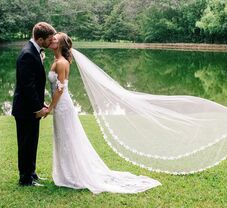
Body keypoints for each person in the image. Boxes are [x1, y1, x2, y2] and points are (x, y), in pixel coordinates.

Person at [46, 32, 161, 194]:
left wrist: (50, 107)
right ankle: (67, 172)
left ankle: (71, 175)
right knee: (63, 137)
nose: (52, 40)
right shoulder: (56, 60)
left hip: (63, 106)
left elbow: (60, 89)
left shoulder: (62, 63)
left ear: (61, 45)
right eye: (52, 38)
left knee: (67, 138)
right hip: (60, 105)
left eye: (55, 39)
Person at [12, 22, 56, 186]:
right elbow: (27, 86)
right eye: (49, 39)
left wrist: (41, 103)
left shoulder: (35, 52)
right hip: (25, 110)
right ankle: (25, 179)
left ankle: (31, 173)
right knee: (25, 144)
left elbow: (34, 85)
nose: (51, 42)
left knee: (32, 142)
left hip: (31, 107)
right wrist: (38, 108)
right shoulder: (27, 54)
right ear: (40, 38)